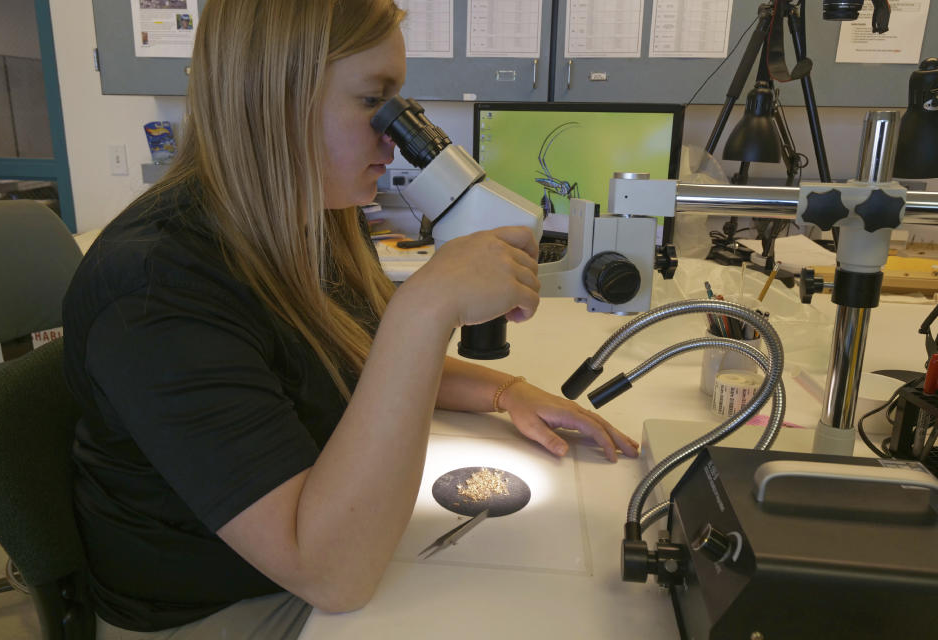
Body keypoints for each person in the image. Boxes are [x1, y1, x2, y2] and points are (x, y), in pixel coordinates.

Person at [63, 1, 640, 638]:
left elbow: (355, 360)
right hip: (222, 604)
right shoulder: (155, 292)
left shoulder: (311, 217)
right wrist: (426, 306)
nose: (397, 135)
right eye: (374, 101)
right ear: (273, 101)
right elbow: (334, 576)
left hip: (317, 535)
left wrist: (508, 392)